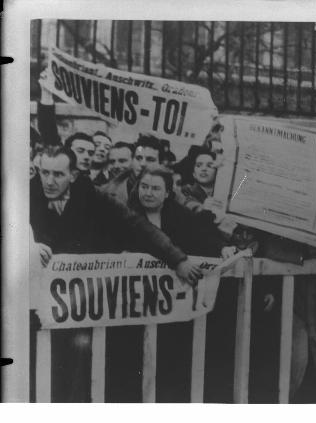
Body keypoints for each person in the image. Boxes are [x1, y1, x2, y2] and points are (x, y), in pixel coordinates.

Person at [30, 146, 206, 402]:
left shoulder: (91, 195)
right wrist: (26, 243)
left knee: (78, 372)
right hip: (33, 305)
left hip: (79, 306)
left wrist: (177, 260)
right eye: (44, 172)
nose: (48, 180)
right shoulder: (25, 192)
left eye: (57, 174)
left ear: (74, 175)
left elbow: (135, 224)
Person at [128, 166, 235, 402]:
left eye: (156, 188)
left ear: (167, 192)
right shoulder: (128, 213)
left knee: (173, 361)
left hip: (173, 306)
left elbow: (203, 233)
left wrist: (222, 248)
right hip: (137, 306)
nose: (148, 193)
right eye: (144, 187)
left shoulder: (178, 214)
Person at [101, 133, 162, 205]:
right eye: (138, 158)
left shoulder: (170, 194)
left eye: (150, 159)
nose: (142, 164)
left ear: (161, 164)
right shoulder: (107, 192)